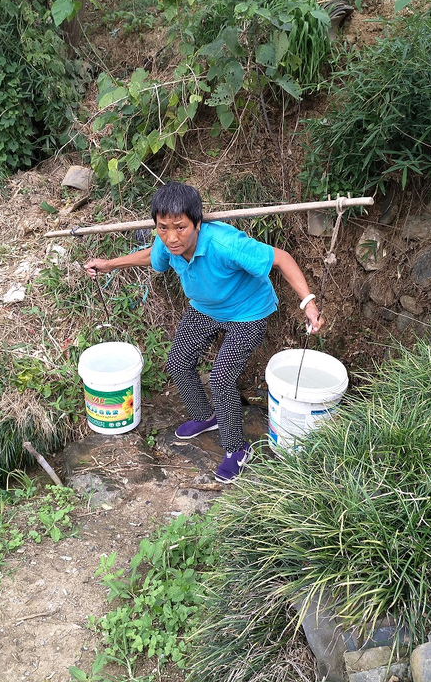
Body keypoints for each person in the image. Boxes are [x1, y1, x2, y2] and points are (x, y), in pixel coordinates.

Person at [84, 182, 324, 483]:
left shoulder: (226, 244)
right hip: (205, 308)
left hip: (247, 313)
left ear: (197, 223)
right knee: (177, 363)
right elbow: (151, 256)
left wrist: (308, 303)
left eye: (180, 227)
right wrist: (109, 264)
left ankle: (237, 449)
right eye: (162, 228)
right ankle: (206, 416)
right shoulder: (166, 243)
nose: (171, 237)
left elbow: (281, 258)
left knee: (222, 378)